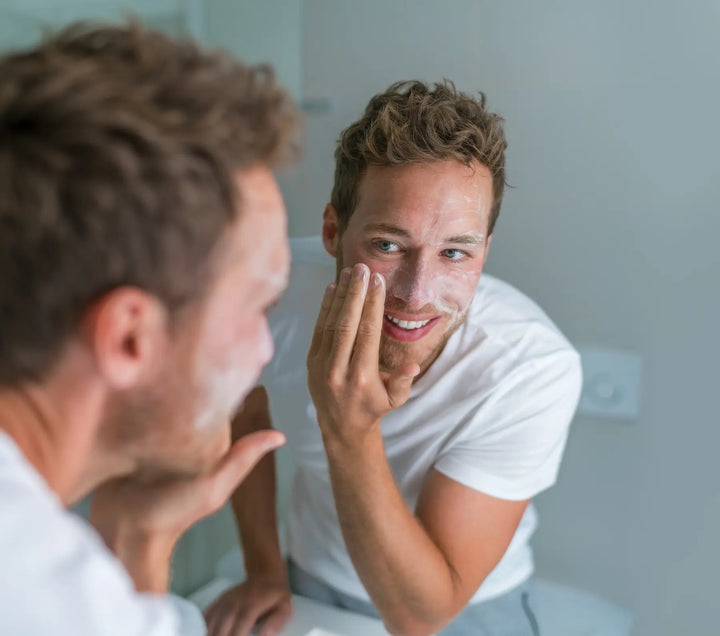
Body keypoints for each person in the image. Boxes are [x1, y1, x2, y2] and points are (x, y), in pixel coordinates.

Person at [205, 80, 582, 636]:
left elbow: (421, 615)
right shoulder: (272, 296)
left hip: (465, 608)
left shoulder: (529, 368)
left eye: (455, 252)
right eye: (387, 245)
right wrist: (264, 570)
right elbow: (246, 413)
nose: (416, 292)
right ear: (334, 231)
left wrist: (348, 428)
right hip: (311, 581)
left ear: (484, 251)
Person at [0, 22, 300, 636]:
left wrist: (140, 534)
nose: (266, 351)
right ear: (129, 339)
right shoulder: (45, 597)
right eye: (256, 309)